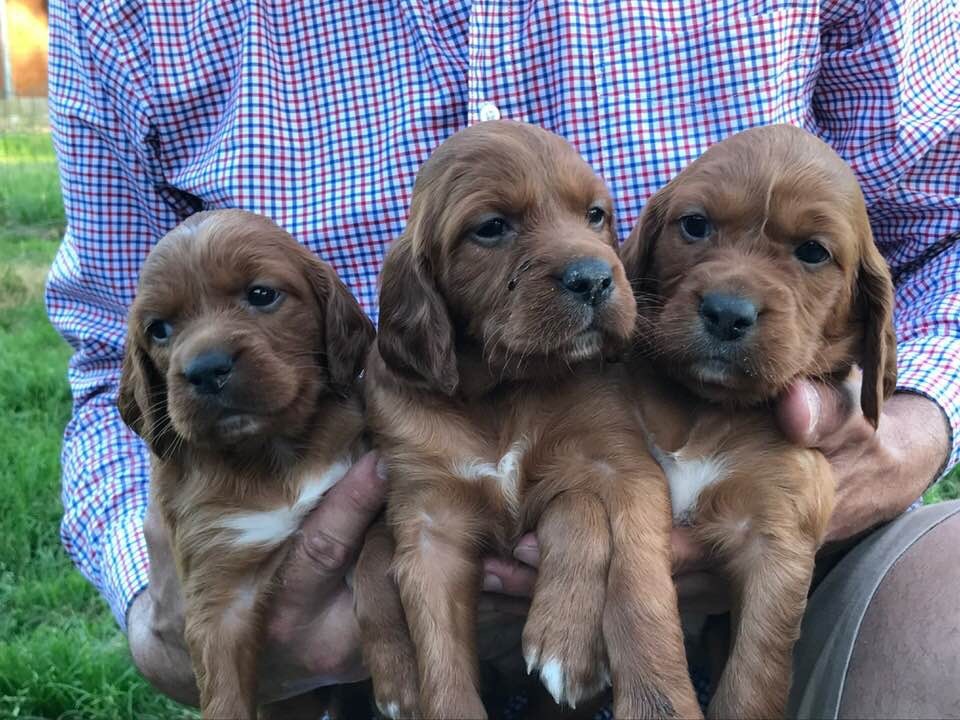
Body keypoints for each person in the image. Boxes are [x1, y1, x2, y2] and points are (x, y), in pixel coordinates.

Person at [47, 0, 959, 717]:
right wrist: (171, 599)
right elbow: (111, 358)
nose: (588, 262)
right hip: (358, 654)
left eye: (598, 222)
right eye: (490, 229)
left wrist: (917, 416)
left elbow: (943, 230)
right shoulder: (123, 16)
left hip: (803, 565)